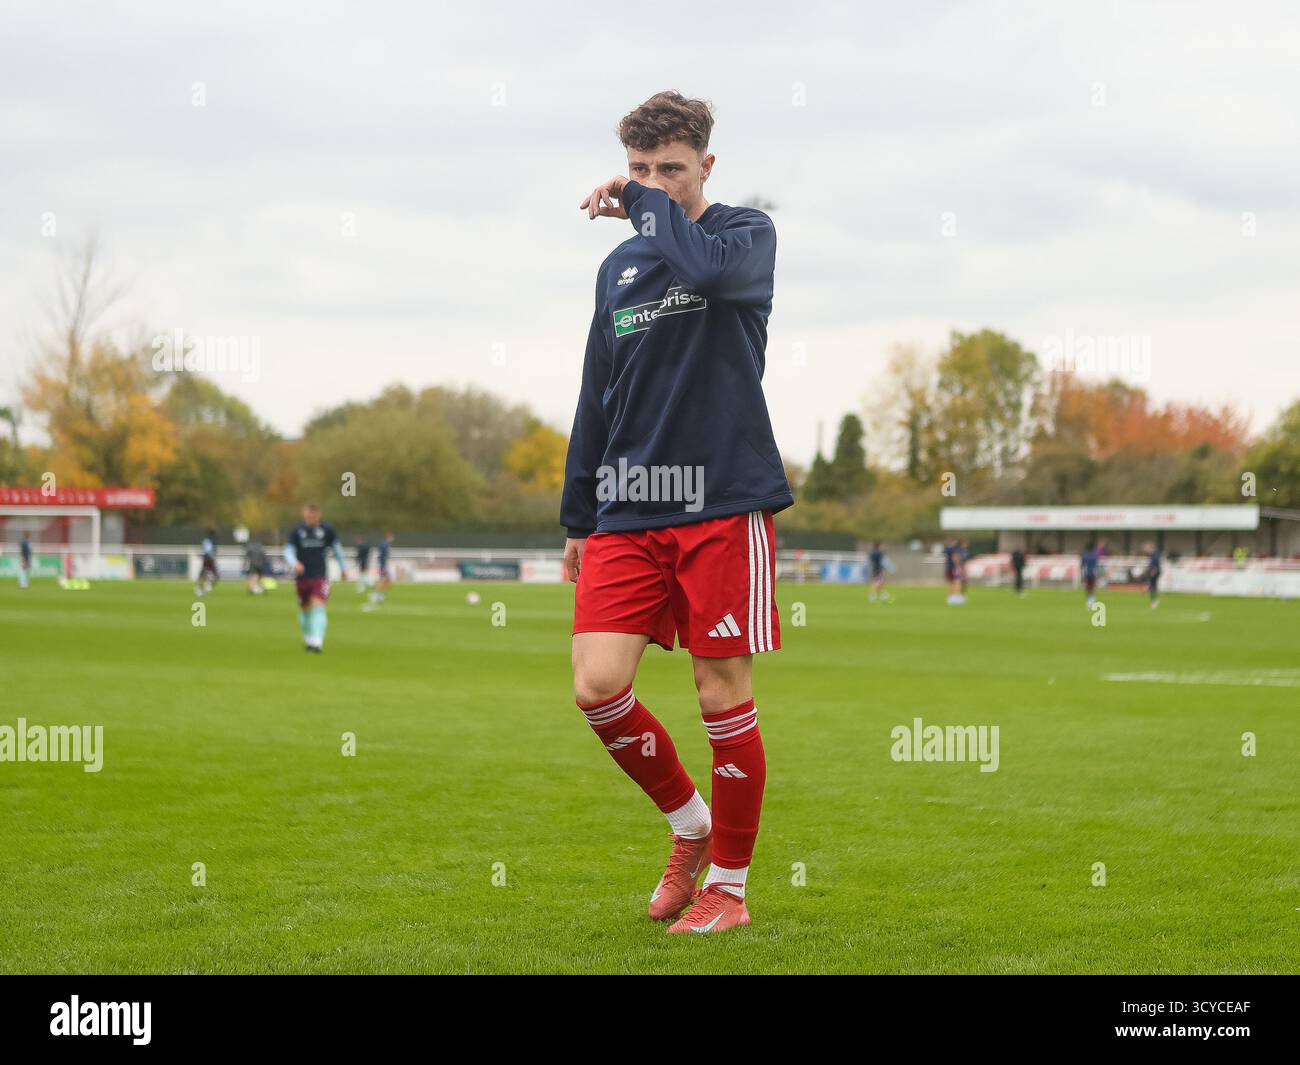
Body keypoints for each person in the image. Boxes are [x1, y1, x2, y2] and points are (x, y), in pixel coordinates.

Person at [562, 91, 793, 935]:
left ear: (705, 166)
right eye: (637, 171)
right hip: (627, 509)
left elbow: (701, 269)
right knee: (596, 686)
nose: (649, 183)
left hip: (721, 501)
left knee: (717, 689)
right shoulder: (616, 270)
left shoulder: (744, 236)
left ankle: (728, 886)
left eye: (669, 168)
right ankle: (690, 825)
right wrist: (577, 517)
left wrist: (651, 209)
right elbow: (596, 396)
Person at [285, 503, 346, 652]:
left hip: (320, 576)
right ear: (304, 514)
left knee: (318, 606)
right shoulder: (297, 531)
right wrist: (294, 563)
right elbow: (288, 551)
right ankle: (309, 640)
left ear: (318, 514)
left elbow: (337, 549)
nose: (311, 517)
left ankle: (317, 642)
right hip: (302, 577)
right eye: (308, 514)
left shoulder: (326, 530)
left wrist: (343, 568)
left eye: (314, 514)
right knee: (305, 609)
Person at [368, 532, 393, 607]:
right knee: (383, 581)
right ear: (388, 537)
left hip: (383, 565)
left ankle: (379, 595)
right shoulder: (384, 545)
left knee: (386, 581)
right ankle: (375, 595)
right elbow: (382, 556)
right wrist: (382, 566)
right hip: (383, 566)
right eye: (391, 537)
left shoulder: (385, 544)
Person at [195, 528, 219, 596]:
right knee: (215, 575)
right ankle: (204, 587)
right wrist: (213, 556)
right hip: (209, 559)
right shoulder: (211, 540)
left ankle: (200, 588)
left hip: (206, 558)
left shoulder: (206, 540)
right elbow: (208, 550)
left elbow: (205, 549)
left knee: (203, 574)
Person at [943, 538, 965, 605]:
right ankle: (955, 597)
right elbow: (955, 558)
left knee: (952, 582)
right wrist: (959, 566)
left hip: (949, 568)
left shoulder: (948, 549)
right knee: (956, 582)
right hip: (954, 568)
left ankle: (952, 597)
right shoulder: (955, 549)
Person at [1142, 541, 1162, 609]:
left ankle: (1154, 601)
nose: (1145, 550)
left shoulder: (1155, 554)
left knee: (1152, 586)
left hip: (1154, 572)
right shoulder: (1153, 554)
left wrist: (1153, 571)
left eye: (1146, 548)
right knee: (1152, 586)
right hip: (1153, 571)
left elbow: (1156, 564)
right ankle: (1154, 600)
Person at [1080, 539, 1100, 608]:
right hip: (1093, 573)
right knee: (1092, 587)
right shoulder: (1094, 555)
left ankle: (1089, 600)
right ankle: (1092, 600)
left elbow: (1082, 565)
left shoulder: (1084, 555)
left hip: (1087, 573)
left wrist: (1081, 576)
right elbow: (1096, 565)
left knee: (1087, 588)